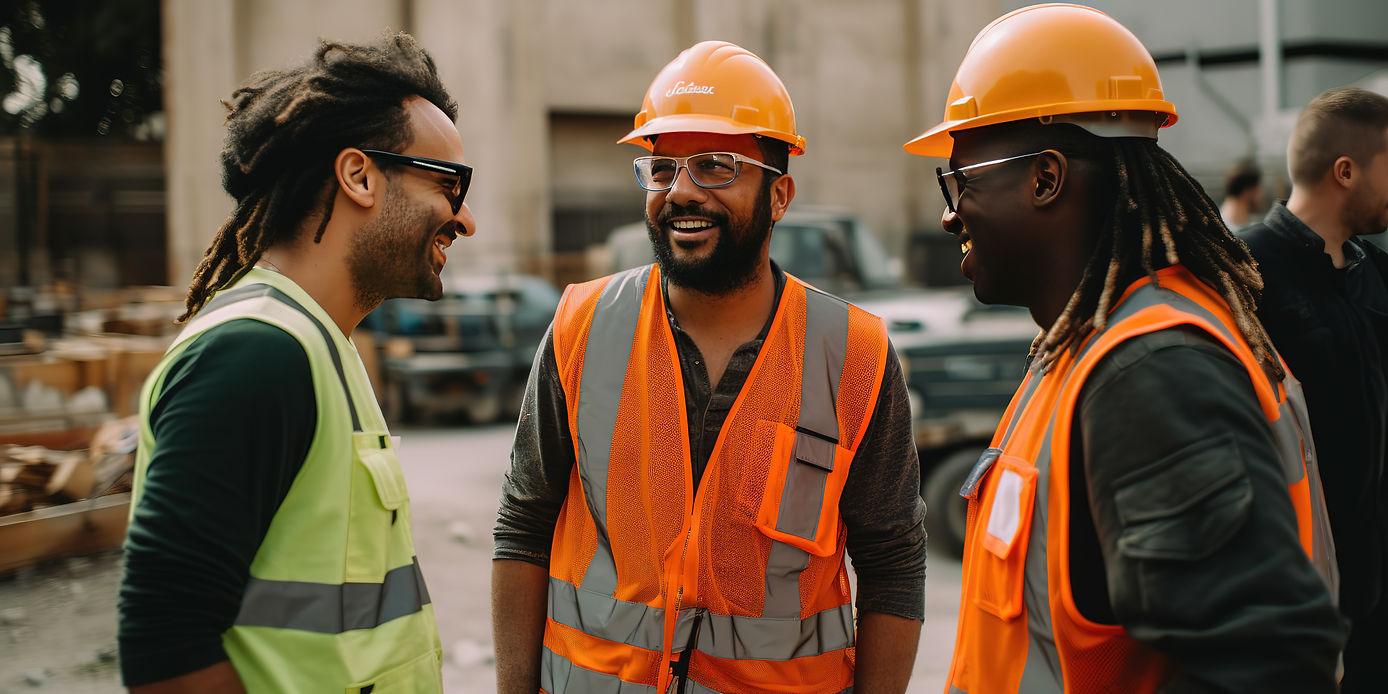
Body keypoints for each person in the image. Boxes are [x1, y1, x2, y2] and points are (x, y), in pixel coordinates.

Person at [902, 5, 1346, 692]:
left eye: (961, 181)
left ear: (1045, 178)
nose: (948, 213)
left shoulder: (1153, 372)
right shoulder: (1085, 350)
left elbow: (1266, 665)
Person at [492, 40, 925, 693]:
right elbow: (524, 523)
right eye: (662, 169)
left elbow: (892, 561)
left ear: (779, 195)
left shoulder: (853, 354)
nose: (681, 192)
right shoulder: (582, 326)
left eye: (716, 167)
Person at [118, 33, 476, 693]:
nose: (466, 218)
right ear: (359, 176)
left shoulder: (318, 343)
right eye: (449, 184)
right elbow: (166, 645)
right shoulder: (256, 353)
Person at [1239, 85, 1388, 693]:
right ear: (1346, 171)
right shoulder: (1243, 272)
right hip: (1292, 612)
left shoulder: (1375, 271)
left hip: (1374, 605)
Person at [1220, 159, 1264, 230]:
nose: (1261, 195)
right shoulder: (1230, 229)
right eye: (1259, 189)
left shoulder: (1226, 222)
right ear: (1248, 191)